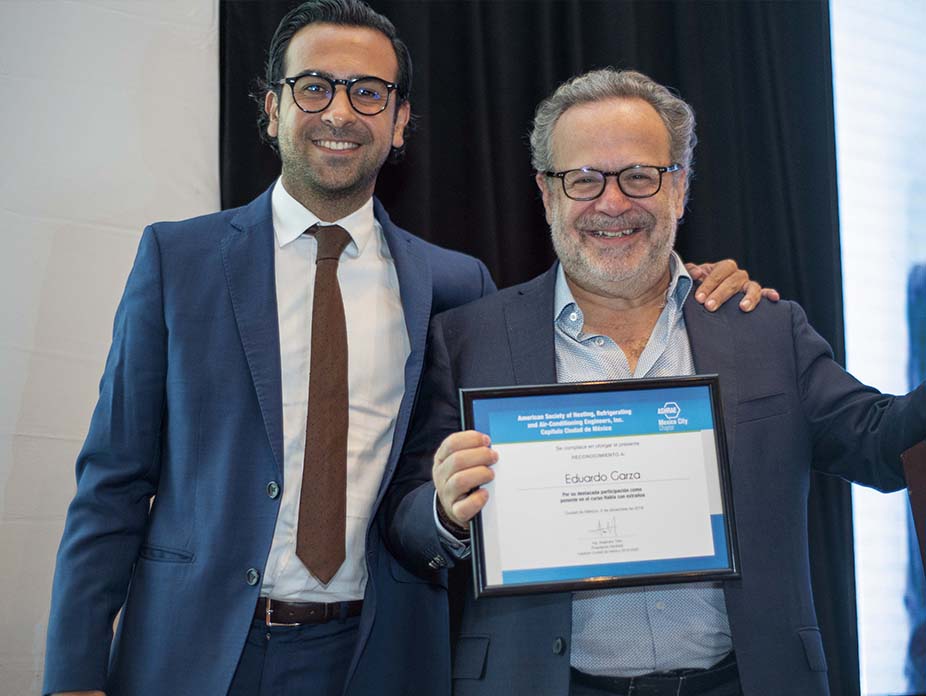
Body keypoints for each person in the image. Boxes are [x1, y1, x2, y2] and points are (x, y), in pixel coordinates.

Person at [42, 2, 768, 694]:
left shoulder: (455, 285)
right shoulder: (179, 261)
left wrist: (685, 284)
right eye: (314, 87)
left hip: (380, 656)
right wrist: (73, 676)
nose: (339, 112)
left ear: (398, 123)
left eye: (368, 92)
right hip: (195, 649)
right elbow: (112, 482)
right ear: (271, 109)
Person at [385, 67, 926, 696]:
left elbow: (883, 445)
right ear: (547, 193)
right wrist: (445, 510)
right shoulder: (468, 339)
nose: (612, 203)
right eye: (584, 179)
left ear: (680, 186)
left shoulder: (764, 328)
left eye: (640, 176)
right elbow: (405, 523)